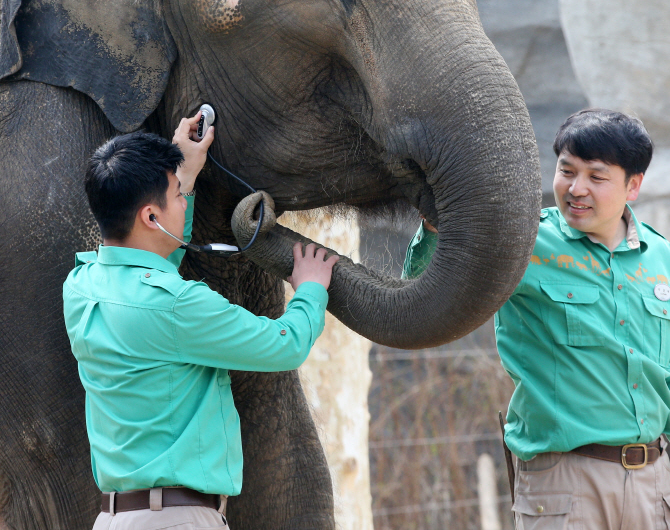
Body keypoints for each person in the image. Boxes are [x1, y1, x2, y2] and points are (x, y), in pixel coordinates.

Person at [63, 112, 338, 530]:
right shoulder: (177, 306)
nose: (182, 201)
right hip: (178, 521)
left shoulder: (81, 287)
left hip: (115, 519)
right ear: (151, 218)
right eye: (177, 195)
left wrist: (184, 174)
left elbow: (148, 270)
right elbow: (284, 343)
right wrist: (311, 290)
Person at [403, 109, 670, 529]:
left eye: (596, 177)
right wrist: (435, 227)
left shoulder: (663, 259)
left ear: (633, 186)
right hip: (564, 483)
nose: (576, 188)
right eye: (567, 170)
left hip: (656, 484)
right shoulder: (522, 239)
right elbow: (421, 291)